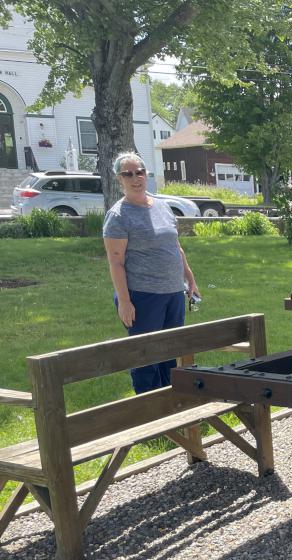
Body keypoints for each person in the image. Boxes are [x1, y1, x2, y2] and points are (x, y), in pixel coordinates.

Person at [102, 152, 200, 393]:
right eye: (128, 174)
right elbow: (116, 262)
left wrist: (190, 279)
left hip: (173, 292)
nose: (135, 178)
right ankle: (148, 413)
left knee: (170, 354)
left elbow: (175, 247)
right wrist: (124, 302)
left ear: (146, 174)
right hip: (143, 295)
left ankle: (171, 407)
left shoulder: (163, 207)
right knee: (146, 357)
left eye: (140, 172)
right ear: (119, 179)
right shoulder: (118, 216)